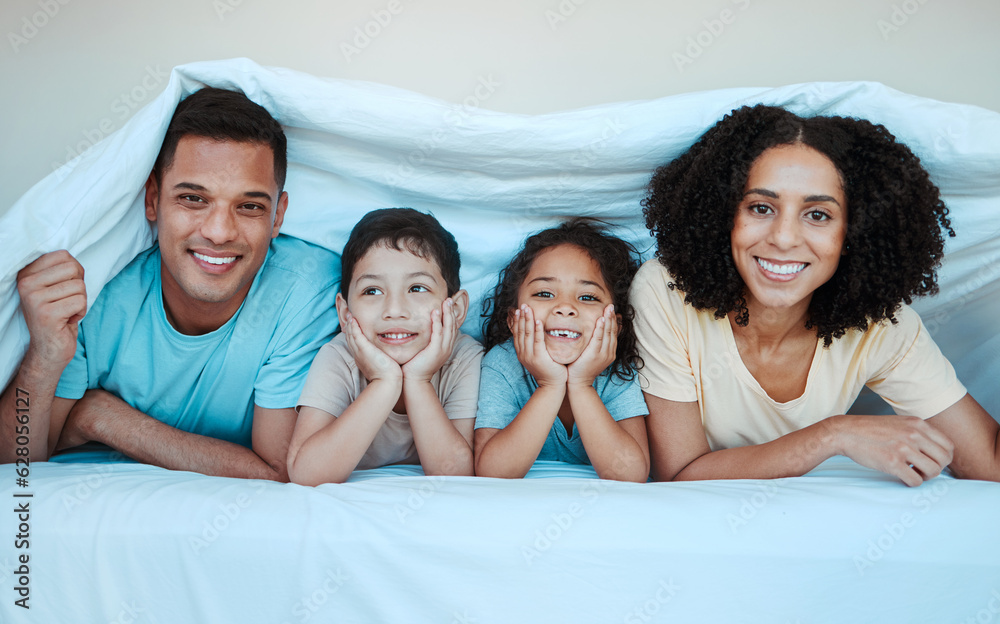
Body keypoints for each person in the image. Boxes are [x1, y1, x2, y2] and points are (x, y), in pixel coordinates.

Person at [634, 103, 999, 486]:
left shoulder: (881, 326)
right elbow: (678, 472)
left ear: (852, 235)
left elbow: (988, 460)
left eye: (818, 215)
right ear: (725, 217)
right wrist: (834, 435)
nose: (784, 238)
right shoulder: (666, 292)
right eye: (761, 207)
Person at [0, 87, 340, 481]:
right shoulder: (94, 293)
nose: (218, 232)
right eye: (194, 199)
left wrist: (102, 418)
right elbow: (15, 463)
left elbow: (280, 471)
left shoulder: (307, 290)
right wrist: (44, 357)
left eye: (249, 207)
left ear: (277, 217)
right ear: (152, 200)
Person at [287, 208, 481, 485]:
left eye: (417, 288)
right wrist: (384, 382)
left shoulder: (463, 357)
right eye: (372, 291)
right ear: (344, 314)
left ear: (457, 309)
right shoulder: (340, 356)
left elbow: (457, 476)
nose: (394, 310)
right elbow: (305, 475)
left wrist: (418, 380)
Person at [474, 219, 649, 481]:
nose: (565, 307)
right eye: (545, 294)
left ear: (615, 323)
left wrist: (582, 384)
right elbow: (493, 473)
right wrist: (549, 385)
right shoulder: (501, 364)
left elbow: (631, 475)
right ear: (512, 320)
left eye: (587, 297)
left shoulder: (616, 370)